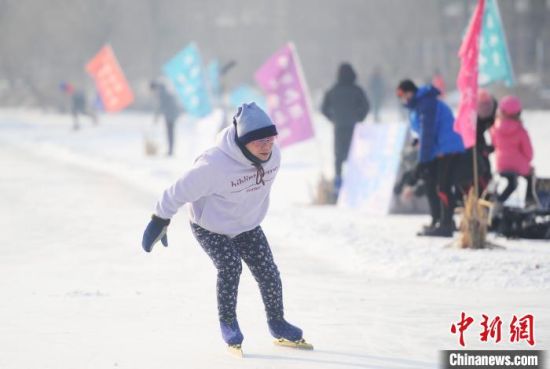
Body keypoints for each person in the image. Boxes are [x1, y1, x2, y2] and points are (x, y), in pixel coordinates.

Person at [141, 102, 310, 352]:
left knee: (268, 271)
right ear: (243, 141)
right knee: (230, 266)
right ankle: (228, 323)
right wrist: (159, 220)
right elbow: (176, 192)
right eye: (259, 141)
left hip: (247, 224)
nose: (267, 146)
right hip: (211, 226)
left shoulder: (274, 156)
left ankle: (277, 322)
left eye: (271, 139)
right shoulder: (213, 166)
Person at [396, 79, 465, 237]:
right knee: (431, 183)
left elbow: (428, 132)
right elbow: (424, 132)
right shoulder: (418, 105)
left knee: (443, 186)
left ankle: (446, 225)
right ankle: (438, 220)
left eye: (403, 95)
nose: (403, 99)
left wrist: (423, 161)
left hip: (447, 148)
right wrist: (418, 142)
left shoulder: (426, 103)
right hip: (437, 148)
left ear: (410, 92)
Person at [321, 63, 370, 197]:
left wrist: (333, 118)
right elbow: (366, 106)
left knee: (338, 156)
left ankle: (338, 182)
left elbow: (324, 108)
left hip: (339, 127)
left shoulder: (333, 90)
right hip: (354, 127)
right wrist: (359, 118)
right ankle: (355, 182)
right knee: (354, 155)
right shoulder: (357, 90)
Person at [490, 95, 537, 207]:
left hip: (501, 165)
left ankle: (499, 201)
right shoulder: (520, 130)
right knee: (530, 176)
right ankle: (529, 201)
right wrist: (527, 161)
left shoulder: (495, 128)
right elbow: (528, 152)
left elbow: (494, 144)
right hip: (519, 165)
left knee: (512, 183)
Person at [150, 80, 181, 156]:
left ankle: (170, 151)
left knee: (170, 133)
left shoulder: (161, 92)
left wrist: (156, 117)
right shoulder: (164, 89)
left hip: (170, 114)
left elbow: (160, 105)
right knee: (170, 132)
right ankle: (170, 150)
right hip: (172, 113)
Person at [476, 89, 498, 192]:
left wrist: (493, 145)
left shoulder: (494, 109)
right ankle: (486, 193)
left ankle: (489, 193)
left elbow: (495, 128)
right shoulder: (474, 119)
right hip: (474, 142)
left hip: (481, 139)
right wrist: (484, 149)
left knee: (486, 170)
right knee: (482, 170)